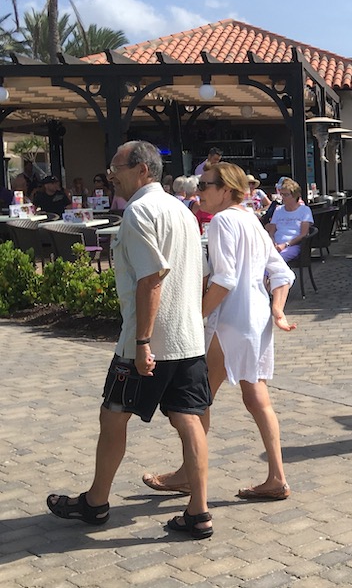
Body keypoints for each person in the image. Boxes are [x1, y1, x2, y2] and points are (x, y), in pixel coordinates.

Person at [46, 141, 213, 538]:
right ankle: (199, 511)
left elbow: (151, 277)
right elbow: (198, 273)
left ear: (141, 170)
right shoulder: (183, 210)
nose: (109, 174)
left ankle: (96, 502)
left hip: (150, 342)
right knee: (189, 420)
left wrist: (141, 343)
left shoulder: (139, 211)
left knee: (113, 417)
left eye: (115, 167)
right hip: (189, 338)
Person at [143, 162, 296, 502]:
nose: (199, 192)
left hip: (230, 322)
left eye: (205, 185)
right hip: (254, 319)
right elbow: (283, 274)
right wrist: (276, 309)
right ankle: (276, 476)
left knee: (196, 398)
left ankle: (189, 474)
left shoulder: (224, 221)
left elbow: (224, 279)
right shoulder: (251, 221)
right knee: (254, 398)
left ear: (225, 189)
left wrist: (194, 316)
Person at [265, 178, 313, 262]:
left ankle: (267, 275)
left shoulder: (304, 210)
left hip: (293, 245)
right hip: (275, 245)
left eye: (286, 195)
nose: (282, 197)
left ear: (295, 196)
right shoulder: (278, 210)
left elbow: (303, 234)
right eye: (281, 194)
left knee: (275, 261)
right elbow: (271, 232)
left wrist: (285, 244)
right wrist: (272, 243)